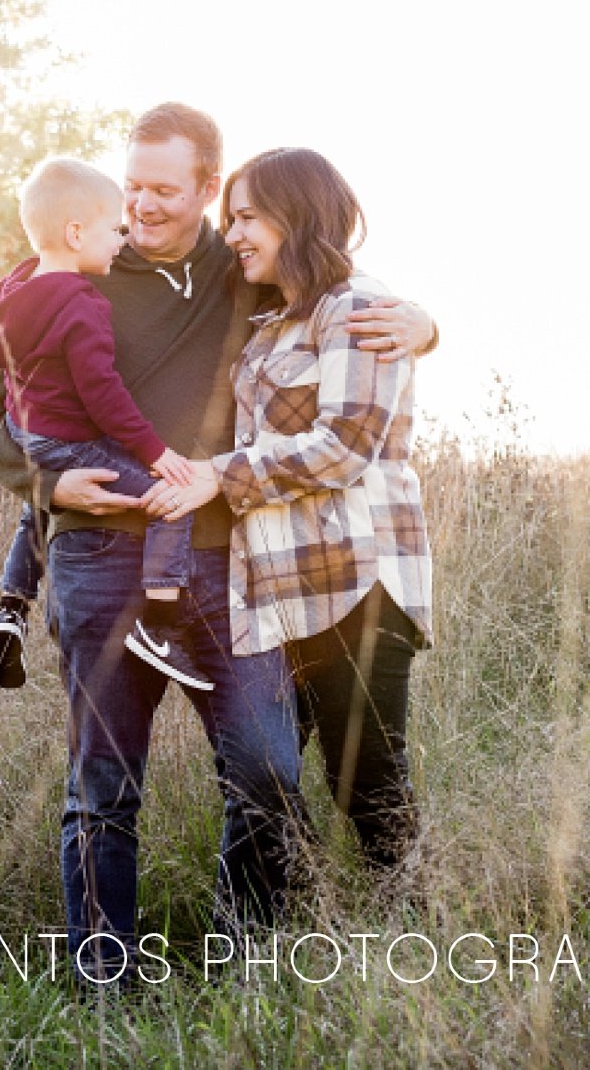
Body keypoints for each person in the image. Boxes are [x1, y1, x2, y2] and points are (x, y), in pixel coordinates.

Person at [0, 103, 437, 985]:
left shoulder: (236, 268)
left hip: (223, 563)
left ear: (208, 190)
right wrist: (45, 484)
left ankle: (234, 965)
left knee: (268, 769)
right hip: (98, 559)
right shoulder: (79, 265)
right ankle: (109, 983)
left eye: (166, 190)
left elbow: (333, 297)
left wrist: (423, 320)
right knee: (103, 787)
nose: (142, 206)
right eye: (131, 185)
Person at [146, 146, 432, 882]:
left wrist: (220, 476)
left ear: (296, 215)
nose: (234, 232)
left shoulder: (357, 308)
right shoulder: (274, 319)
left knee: (364, 785)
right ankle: (255, 953)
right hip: (276, 592)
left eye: (248, 217)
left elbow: (345, 447)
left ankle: (414, 938)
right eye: (229, 217)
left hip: (354, 580)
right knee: (261, 776)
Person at [0, 158, 207, 691]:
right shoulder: (83, 305)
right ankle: (159, 624)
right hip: (68, 438)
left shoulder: (14, 294)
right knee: (173, 498)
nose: (121, 241)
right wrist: (153, 452)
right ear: (76, 233)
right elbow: (102, 394)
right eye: (113, 230)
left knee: (40, 506)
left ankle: (12, 606)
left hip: (26, 430)